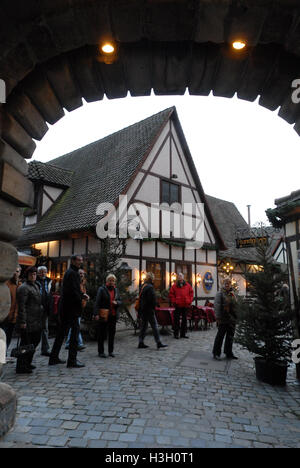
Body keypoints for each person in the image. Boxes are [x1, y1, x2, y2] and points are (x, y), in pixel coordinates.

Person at [49, 255, 89, 368]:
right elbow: (73, 291)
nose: (80, 262)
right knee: (74, 335)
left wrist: (81, 295)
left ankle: (53, 357)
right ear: (73, 261)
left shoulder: (70, 272)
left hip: (66, 308)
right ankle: (72, 360)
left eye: (82, 260)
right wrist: (82, 297)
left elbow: (73, 290)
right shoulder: (72, 273)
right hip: (71, 309)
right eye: (78, 260)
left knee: (61, 334)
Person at [16, 267, 43, 374]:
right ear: (27, 275)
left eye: (35, 274)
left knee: (34, 342)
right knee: (25, 344)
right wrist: (23, 321)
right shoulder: (23, 288)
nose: (33, 276)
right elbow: (21, 306)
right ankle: (21, 365)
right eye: (31, 274)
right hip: (28, 320)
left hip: (36, 320)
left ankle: (27, 362)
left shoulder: (36, 285)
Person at [94, 274, 122, 358]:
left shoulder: (116, 290)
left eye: (113, 280)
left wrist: (117, 303)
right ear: (107, 281)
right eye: (110, 280)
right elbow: (97, 302)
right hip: (104, 315)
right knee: (102, 334)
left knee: (112, 334)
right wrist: (96, 314)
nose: (111, 282)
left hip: (113, 315)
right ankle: (101, 352)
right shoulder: (102, 289)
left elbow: (120, 301)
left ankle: (110, 351)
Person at [138, 272, 168, 350]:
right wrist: (156, 305)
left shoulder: (143, 286)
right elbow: (151, 300)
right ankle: (158, 342)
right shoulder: (150, 287)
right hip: (149, 310)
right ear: (151, 279)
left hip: (143, 310)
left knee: (144, 327)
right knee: (154, 326)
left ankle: (140, 342)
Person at [212, 278, 238, 360]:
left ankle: (228, 352)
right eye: (226, 283)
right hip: (223, 318)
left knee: (230, 337)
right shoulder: (220, 294)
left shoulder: (232, 293)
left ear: (230, 284)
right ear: (223, 284)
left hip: (232, 318)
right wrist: (218, 317)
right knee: (220, 336)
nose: (227, 285)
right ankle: (216, 353)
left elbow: (236, 305)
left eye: (229, 283)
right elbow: (217, 306)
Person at [1, 266, 22, 354]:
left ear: (20, 272)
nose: (15, 273)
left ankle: (3, 355)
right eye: (13, 271)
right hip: (5, 316)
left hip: (14, 317)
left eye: (17, 271)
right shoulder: (6, 284)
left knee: (8, 337)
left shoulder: (20, 285)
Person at [65, 269, 87, 351]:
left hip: (81, 307)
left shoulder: (83, 283)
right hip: (75, 308)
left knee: (74, 326)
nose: (81, 275)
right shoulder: (76, 283)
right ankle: (79, 343)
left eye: (82, 274)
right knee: (76, 326)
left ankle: (68, 343)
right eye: (80, 273)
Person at [169, 273, 194, 339]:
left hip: (185, 305)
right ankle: (176, 334)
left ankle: (183, 334)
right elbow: (171, 295)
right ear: (178, 278)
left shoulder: (188, 285)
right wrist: (174, 301)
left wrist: (189, 300)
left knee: (184, 320)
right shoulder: (174, 286)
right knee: (176, 320)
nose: (180, 278)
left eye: (181, 277)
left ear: (183, 278)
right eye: (179, 277)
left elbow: (191, 293)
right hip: (178, 305)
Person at [36, 266, 53, 357]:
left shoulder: (49, 281)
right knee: (34, 330)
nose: (43, 274)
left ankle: (45, 349)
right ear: (38, 273)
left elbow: (49, 294)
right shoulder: (35, 281)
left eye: (44, 272)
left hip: (46, 309)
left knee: (45, 329)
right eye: (41, 272)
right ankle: (31, 348)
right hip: (36, 309)